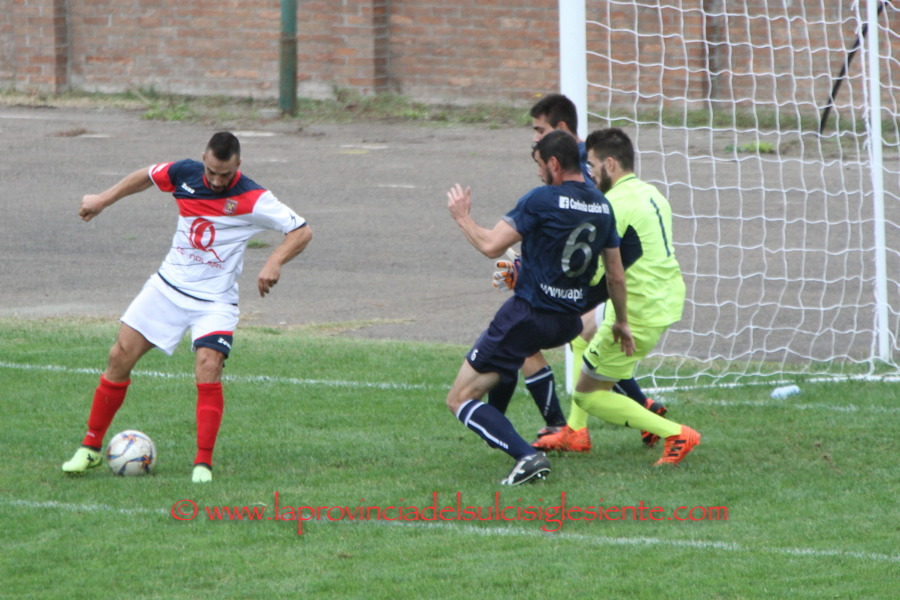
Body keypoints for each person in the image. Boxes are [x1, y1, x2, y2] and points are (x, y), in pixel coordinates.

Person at [62, 131, 312, 482]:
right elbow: (147, 176)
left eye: (225, 174)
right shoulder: (185, 173)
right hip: (167, 288)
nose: (217, 180)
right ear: (203, 159)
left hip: (215, 301)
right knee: (119, 356)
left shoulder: (254, 198)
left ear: (238, 165)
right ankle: (90, 449)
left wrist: (275, 260)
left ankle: (202, 465)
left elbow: (301, 230)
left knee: (209, 366)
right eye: (212, 172)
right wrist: (103, 199)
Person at [446, 130, 634, 485]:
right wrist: (621, 321)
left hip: (528, 316)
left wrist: (462, 217)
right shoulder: (602, 205)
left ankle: (526, 456)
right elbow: (616, 276)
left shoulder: (542, 199)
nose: (538, 173)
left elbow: (490, 245)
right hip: (567, 322)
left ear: (554, 164)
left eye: (539, 165)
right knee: (512, 355)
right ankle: (498, 426)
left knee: (459, 398)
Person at [491, 93, 664, 453]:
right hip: (600, 270)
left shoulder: (580, 170)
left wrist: (526, 269)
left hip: (598, 274)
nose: (535, 139)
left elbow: (573, 233)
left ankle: (562, 426)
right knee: (584, 340)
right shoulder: (587, 163)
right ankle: (637, 408)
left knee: (534, 335)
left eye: (540, 131)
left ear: (561, 129)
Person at [540, 127, 700, 465]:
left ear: (609, 164)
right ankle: (575, 432)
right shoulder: (651, 193)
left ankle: (675, 433)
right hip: (664, 297)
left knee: (587, 396)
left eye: (592, 165)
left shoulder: (612, 205)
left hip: (637, 310)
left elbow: (599, 272)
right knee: (580, 331)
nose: (589, 173)